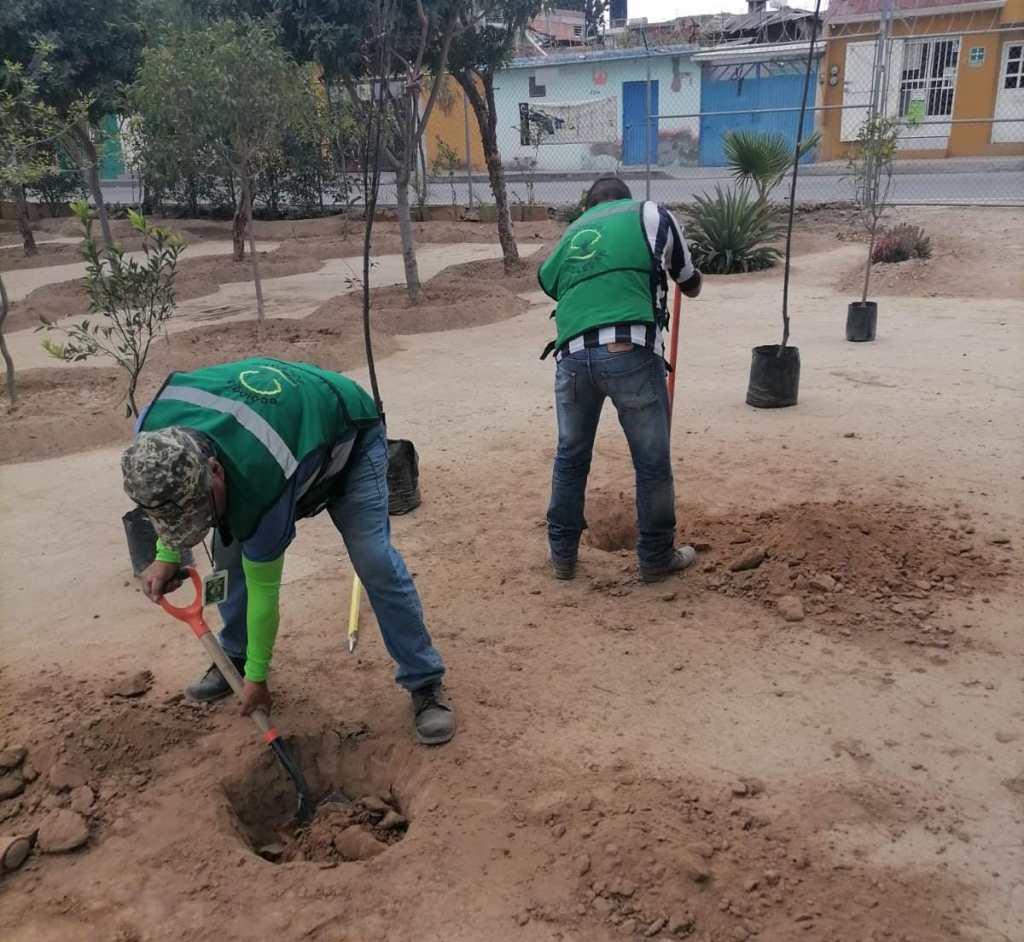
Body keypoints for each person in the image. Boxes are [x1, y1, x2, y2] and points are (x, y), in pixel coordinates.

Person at [121, 357, 455, 746]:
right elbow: (169, 503)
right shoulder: (152, 439)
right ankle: (234, 655)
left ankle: (424, 681)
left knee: (373, 560)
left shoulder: (262, 475)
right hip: (287, 423)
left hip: (348, 435)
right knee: (228, 547)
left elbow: (265, 590)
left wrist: (259, 680)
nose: (200, 521)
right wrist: (167, 553)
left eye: (202, 509)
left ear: (215, 470)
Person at [538, 176, 704, 583]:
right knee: (651, 462)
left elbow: (549, 282)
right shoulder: (649, 213)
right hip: (631, 350)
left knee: (570, 458)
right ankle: (655, 557)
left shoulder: (574, 232)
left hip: (572, 358)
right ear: (623, 201)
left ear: (591, 205)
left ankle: (562, 557)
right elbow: (689, 279)